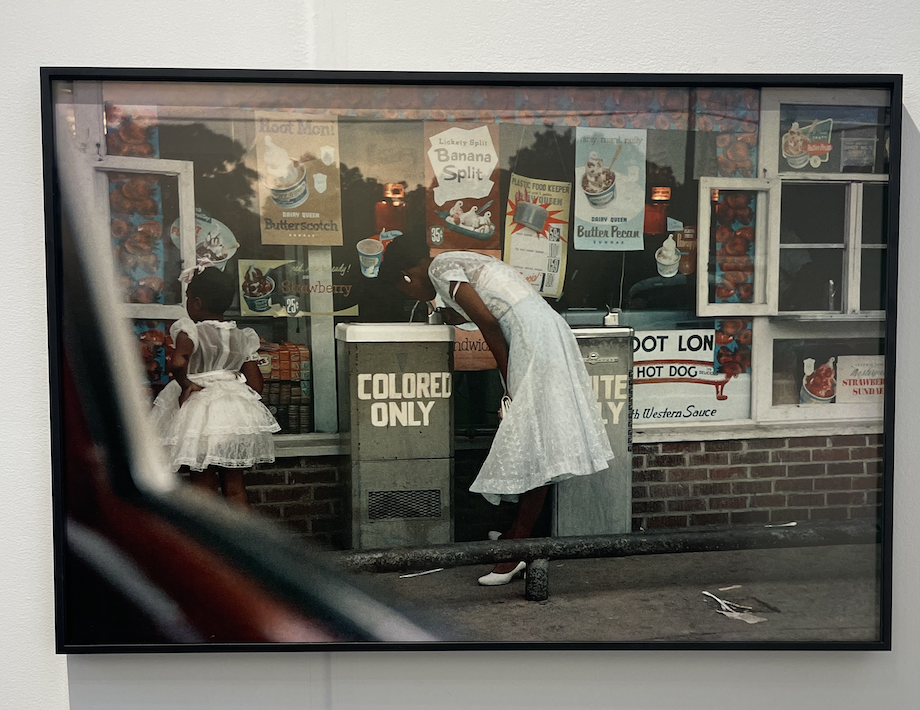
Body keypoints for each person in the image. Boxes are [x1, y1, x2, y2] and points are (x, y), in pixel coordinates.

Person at [378, 236, 613, 586]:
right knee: (537, 438)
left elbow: (488, 323)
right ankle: (514, 537)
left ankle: (517, 547)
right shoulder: (451, 261)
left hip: (532, 340)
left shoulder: (439, 268)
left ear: (405, 275)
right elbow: (490, 304)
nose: (408, 296)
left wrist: (508, 383)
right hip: (541, 331)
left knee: (535, 439)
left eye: (402, 290)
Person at [151, 264, 280, 509]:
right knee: (234, 485)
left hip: (198, 415)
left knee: (203, 484)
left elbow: (178, 362)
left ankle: (208, 541)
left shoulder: (189, 331)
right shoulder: (243, 337)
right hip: (233, 416)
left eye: (188, 298)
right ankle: (240, 536)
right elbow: (256, 384)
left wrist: (187, 384)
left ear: (197, 302)